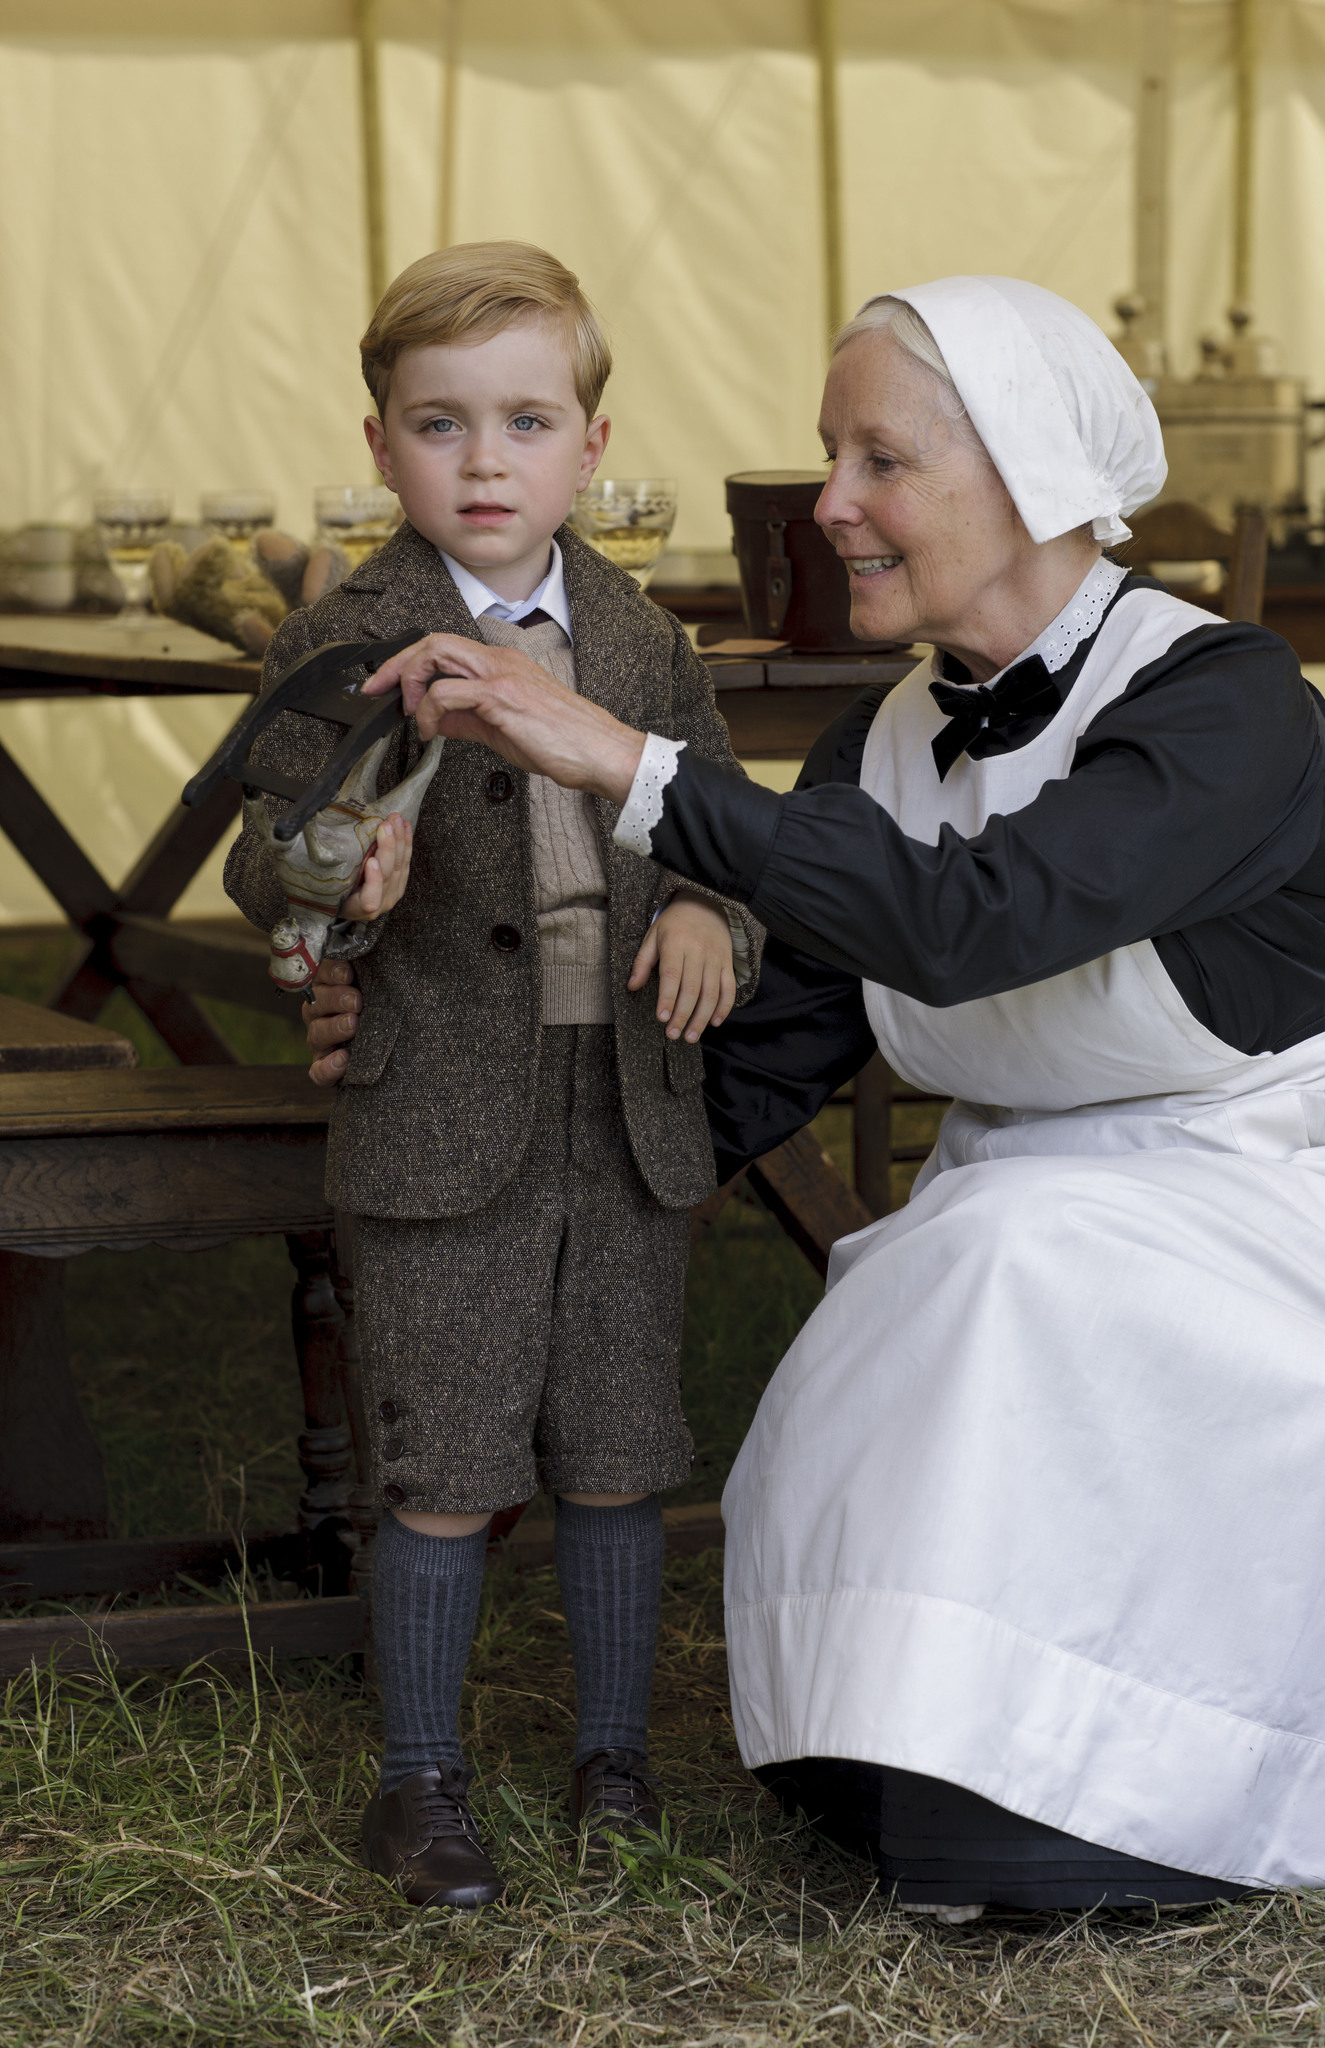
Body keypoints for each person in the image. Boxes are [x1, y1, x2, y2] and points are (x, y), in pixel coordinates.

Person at [351, 274, 1325, 1917]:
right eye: (831, 457)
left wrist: (634, 768)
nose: (827, 505)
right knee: (902, 1297)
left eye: (876, 460)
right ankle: (912, 1763)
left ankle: (1111, 1791)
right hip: (1029, 1196)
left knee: (996, 1272)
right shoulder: (881, 739)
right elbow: (754, 1061)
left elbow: (973, 923)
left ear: (1028, 474)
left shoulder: (1221, 700)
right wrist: (483, 1092)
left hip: (1278, 1195)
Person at [225, 240, 762, 1911]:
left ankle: (615, 1756)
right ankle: (420, 1782)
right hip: (437, 1107)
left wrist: (712, 922)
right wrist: (339, 873)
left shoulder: (643, 641)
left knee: (617, 1440)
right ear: (380, 444)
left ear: (589, 447)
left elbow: (720, 826)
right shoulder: (343, 636)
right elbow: (268, 858)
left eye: (524, 421)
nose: (482, 460)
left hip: (625, 1106)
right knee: (443, 1454)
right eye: (439, 424)